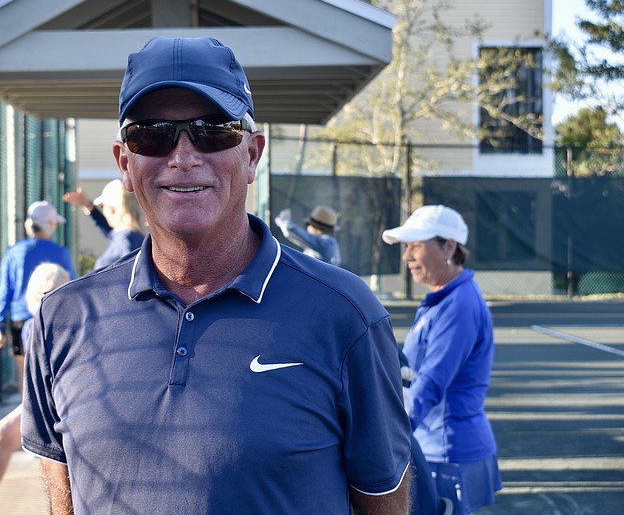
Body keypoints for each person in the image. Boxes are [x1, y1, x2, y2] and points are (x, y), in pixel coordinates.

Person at [22, 36, 411, 514]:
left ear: (252, 154)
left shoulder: (345, 315)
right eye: (153, 133)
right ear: (126, 163)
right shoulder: (61, 317)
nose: (183, 155)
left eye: (214, 131)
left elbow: (383, 501)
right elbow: (63, 495)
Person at [382, 205, 502, 514]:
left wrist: (388, 435)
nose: (407, 257)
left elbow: (431, 382)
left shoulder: (458, 304)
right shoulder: (443, 298)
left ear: (449, 247)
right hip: (436, 447)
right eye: (407, 247)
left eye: (416, 246)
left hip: (447, 453)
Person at [0, 263, 72, 515]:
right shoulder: (32, 328)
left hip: (73, 410)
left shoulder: (78, 325)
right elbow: (35, 387)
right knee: (1, 435)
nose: (50, 300)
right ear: (34, 300)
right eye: (44, 295)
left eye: (57, 292)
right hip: (45, 409)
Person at [0, 201, 76, 386]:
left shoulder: (14, 252)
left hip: (20, 322)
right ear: (50, 224)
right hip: (54, 320)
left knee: (26, 379)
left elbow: (4, 291)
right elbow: (73, 287)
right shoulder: (61, 253)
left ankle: (27, 414)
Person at [62, 178, 147, 270]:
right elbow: (108, 230)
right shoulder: (126, 237)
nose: (103, 211)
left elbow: (133, 275)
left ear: (113, 210)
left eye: (102, 206)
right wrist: (88, 205)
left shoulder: (126, 239)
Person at [274, 205, 341, 266]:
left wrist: (284, 219)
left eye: (308, 224)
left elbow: (292, 230)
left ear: (316, 227)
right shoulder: (328, 243)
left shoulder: (326, 243)